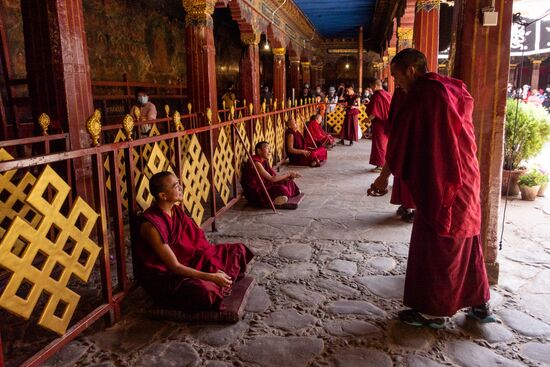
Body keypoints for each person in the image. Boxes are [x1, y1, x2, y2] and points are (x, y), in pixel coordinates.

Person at [370, 48, 494, 328]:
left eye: (396, 76)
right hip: (466, 175)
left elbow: (402, 140)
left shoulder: (424, 95)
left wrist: (383, 178)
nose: (396, 82)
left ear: (411, 71)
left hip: (444, 180)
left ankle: (433, 312)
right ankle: (479, 302)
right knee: (467, 238)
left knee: (439, 241)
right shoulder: (452, 86)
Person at [136, 171, 254, 313]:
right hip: (170, 276)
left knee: (238, 250)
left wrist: (210, 264)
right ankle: (219, 283)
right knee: (204, 291)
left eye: (179, 184)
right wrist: (210, 276)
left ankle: (220, 283)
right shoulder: (152, 226)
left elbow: (198, 244)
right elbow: (174, 267)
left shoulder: (176, 212)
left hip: (194, 260)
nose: (181, 188)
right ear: (163, 195)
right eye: (175, 186)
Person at [241, 141, 301, 207]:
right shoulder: (256, 163)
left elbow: (274, 176)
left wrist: (287, 178)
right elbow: (272, 179)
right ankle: (275, 200)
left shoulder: (264, 161)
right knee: (282, 188)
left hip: (266, 184)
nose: (270, 151)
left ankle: (280, 198)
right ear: (259, 150)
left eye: (270, 149)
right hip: (256, 190)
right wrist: (288, 174)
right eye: (267, 149)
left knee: (289, 182)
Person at [366, 79, 391, 172]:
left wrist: (367, 119)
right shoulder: (387, 94)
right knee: (384, 143)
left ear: (375, 86)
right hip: (386, 122)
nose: (371, 89)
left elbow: (374, 112)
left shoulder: (377, 96)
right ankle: (383, 164)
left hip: (379, 124)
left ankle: (381, 165)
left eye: (372, 87)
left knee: (379, 144)